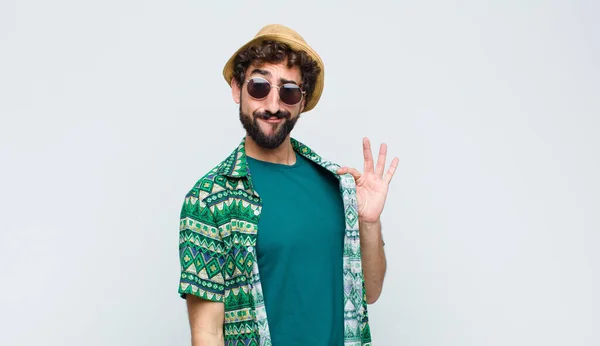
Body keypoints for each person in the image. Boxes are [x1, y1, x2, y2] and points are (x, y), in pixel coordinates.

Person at [178, 24, 399, 346]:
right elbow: (207, 332)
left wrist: (368, 222)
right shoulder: (210, 200)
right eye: (258, 86)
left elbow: (371, 291)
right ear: (236, 88)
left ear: (302, 101)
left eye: (289, 91)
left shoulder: (336, 185)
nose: (272, 105)